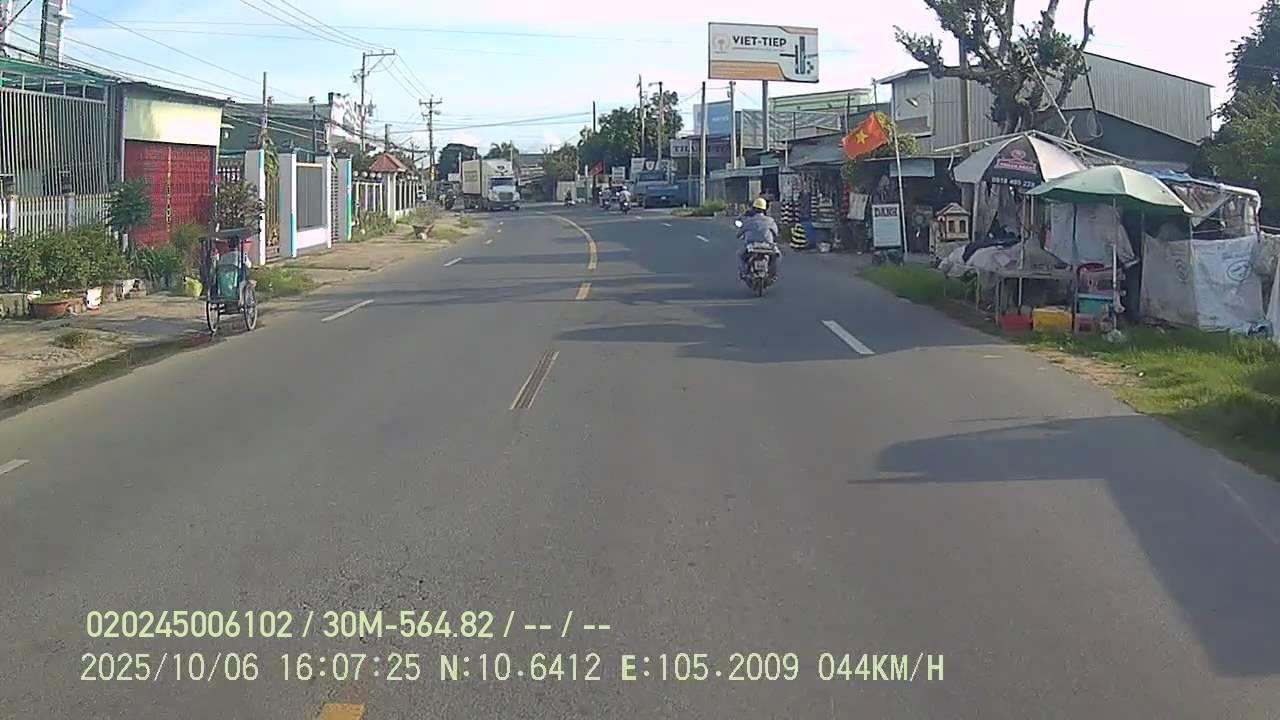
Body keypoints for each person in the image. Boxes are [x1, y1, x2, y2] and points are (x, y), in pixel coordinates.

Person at [737, 196, 780, 277]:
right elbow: (775, 233)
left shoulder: (749, 220)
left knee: (740, 255)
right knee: (777, 255)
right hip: (768, 245)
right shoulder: (770, 220)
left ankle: (744, 273)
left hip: (752, 245)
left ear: (753, 209)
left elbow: (739, 233)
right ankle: (773, 273)